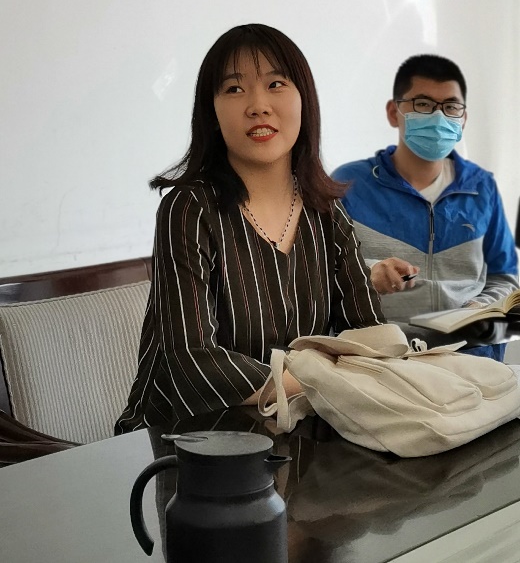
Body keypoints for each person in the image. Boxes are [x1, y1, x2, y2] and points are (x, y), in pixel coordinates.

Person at [116, 24, 384, 432]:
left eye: (276, 84)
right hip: (187, 443)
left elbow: (368, 338)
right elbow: (192, 361)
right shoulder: (188, 209)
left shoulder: (327, 215)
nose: (258, 105)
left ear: (304, 100)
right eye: (235, 89)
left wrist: (339, 381)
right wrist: (324, 382)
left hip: (298, 434)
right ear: (212, 113)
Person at [332, 54, 518, 361]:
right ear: (394, 112)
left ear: (464, 118)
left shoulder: (481, 187)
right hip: (380, 360)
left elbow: (505, 277)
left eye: (451, 106)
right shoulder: (348, 183)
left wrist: (479, 309)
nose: (439, 117)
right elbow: (319, 274)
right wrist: (368, 274)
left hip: (471, 359)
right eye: (423, 104)